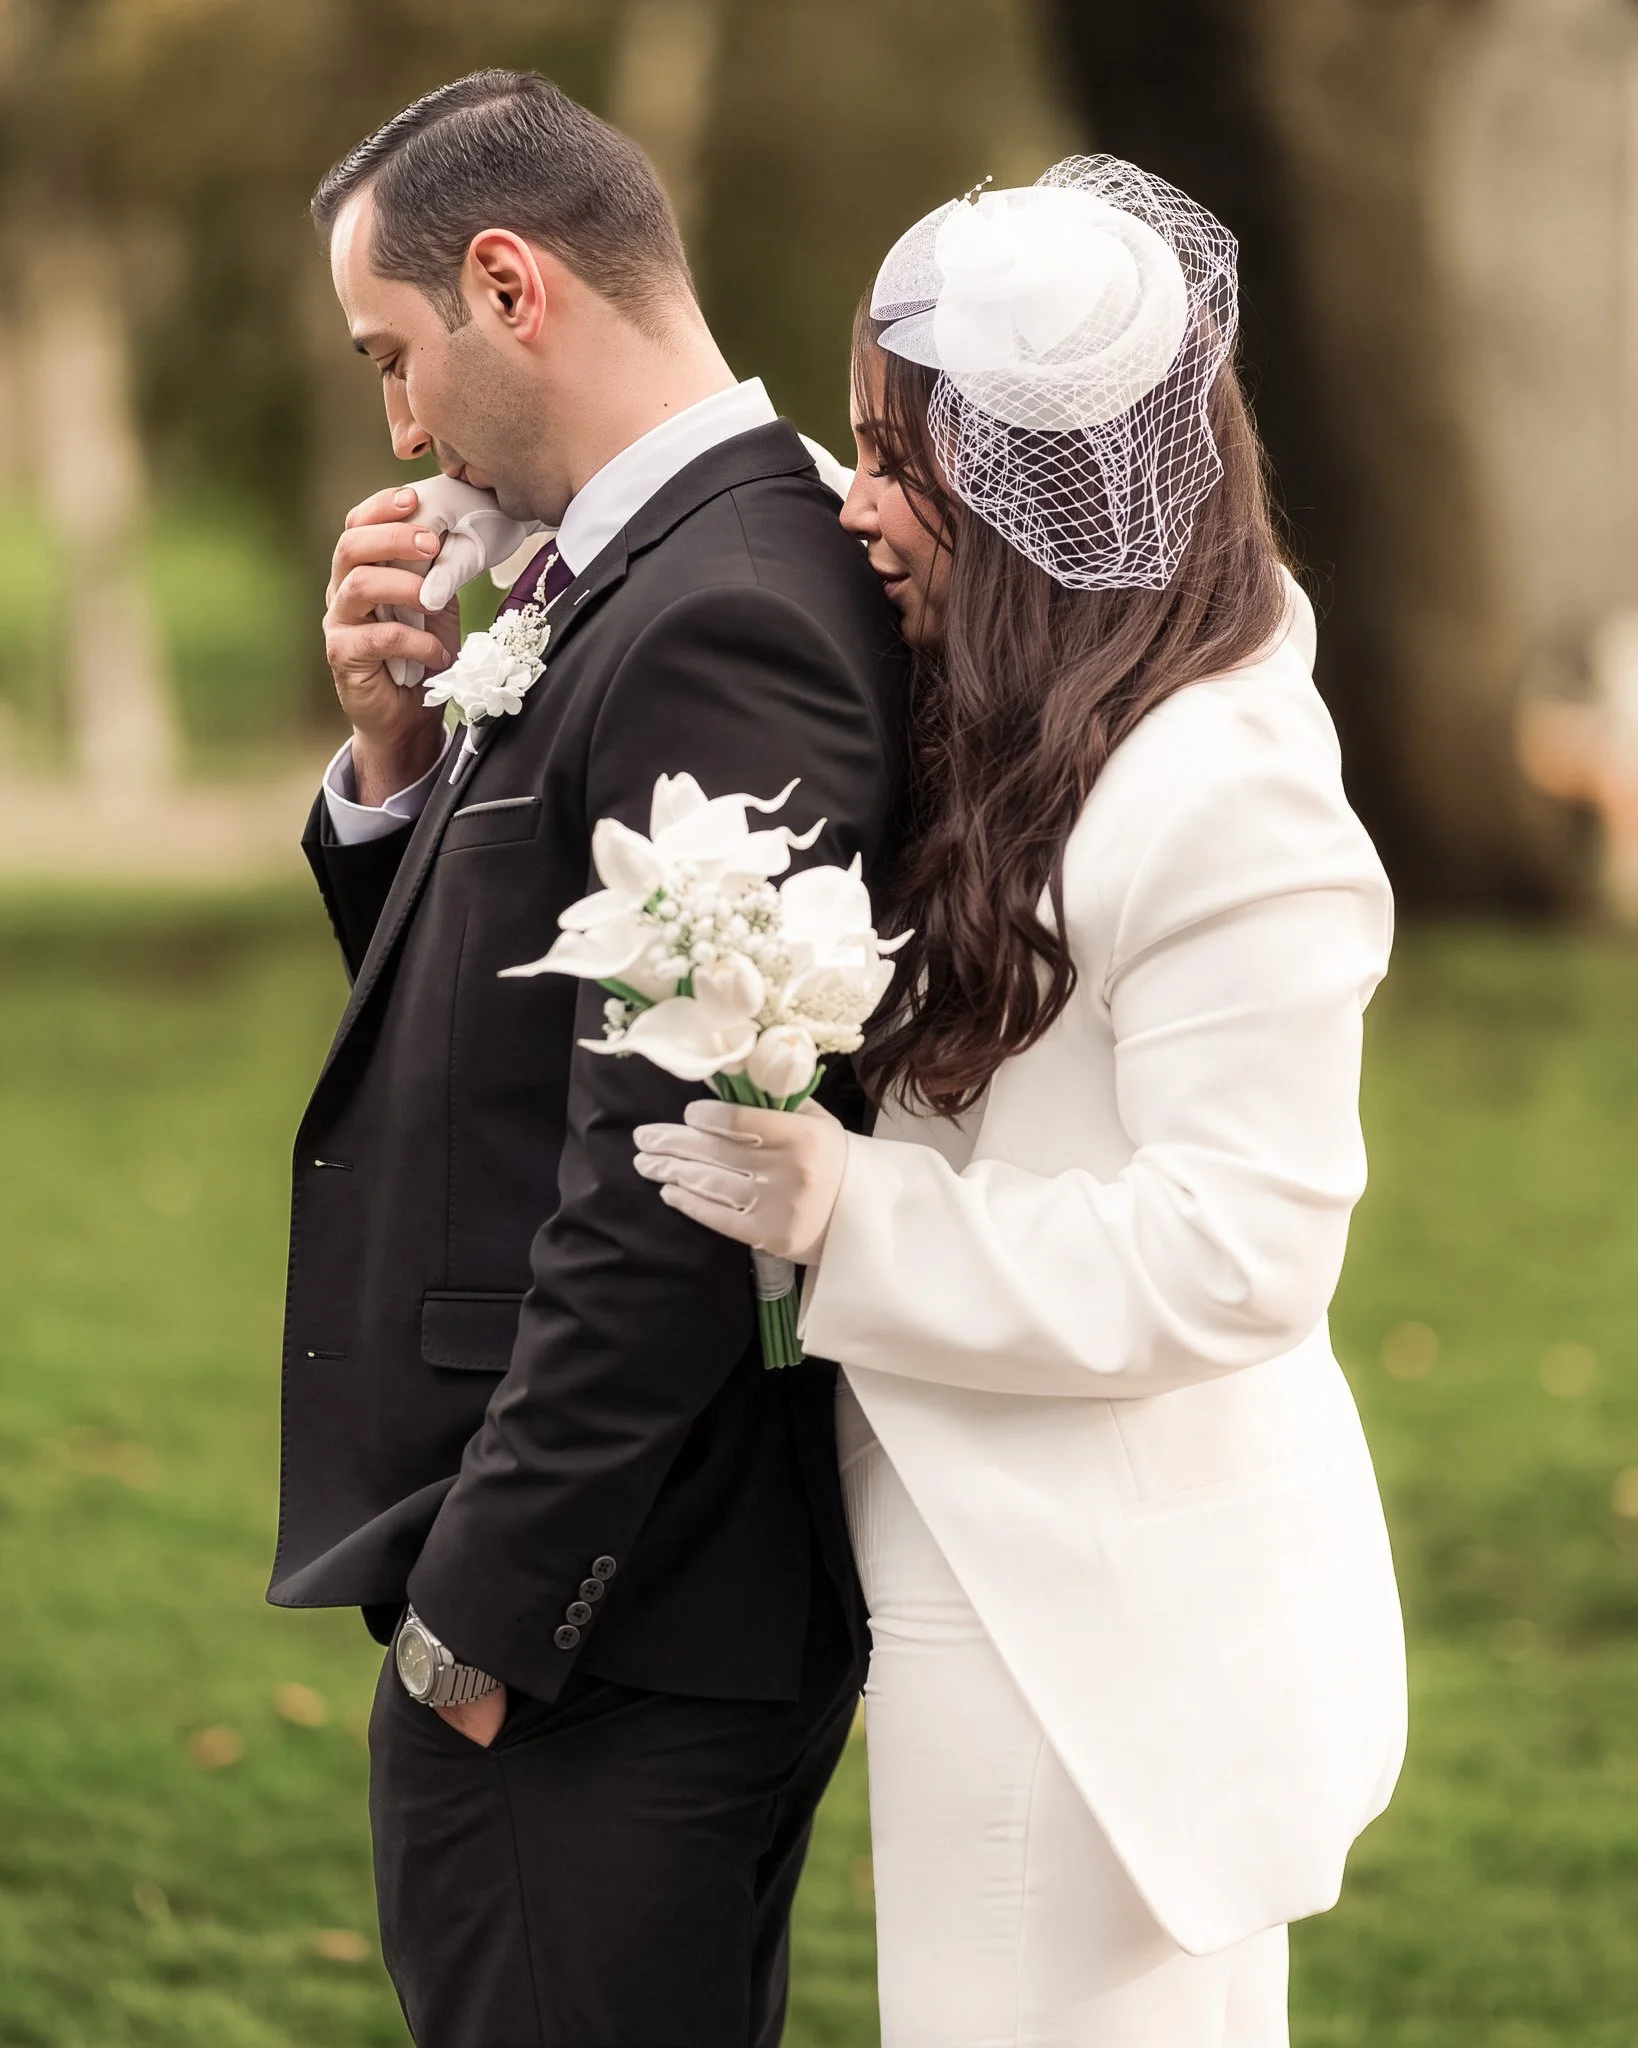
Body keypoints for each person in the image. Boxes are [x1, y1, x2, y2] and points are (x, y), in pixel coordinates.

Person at [634, 157, 1407, 2047]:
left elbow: (1238, 1256)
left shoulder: (1227, 794)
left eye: (898, 459)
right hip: (975, 1563)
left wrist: (847, 1215)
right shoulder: (1016, 725)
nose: (853, 499)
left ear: (1031, 495)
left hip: (1102, 1636)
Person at [267, 69, 907, 2048]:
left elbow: (689, 1165)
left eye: (396, 356)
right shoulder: (660, 568)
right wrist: (393, 768)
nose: (399, 422)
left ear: (510, 283)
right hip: (603, 1612)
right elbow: (535, 1025)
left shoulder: (729, 609)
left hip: (606, 1623)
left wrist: (487, 1615)